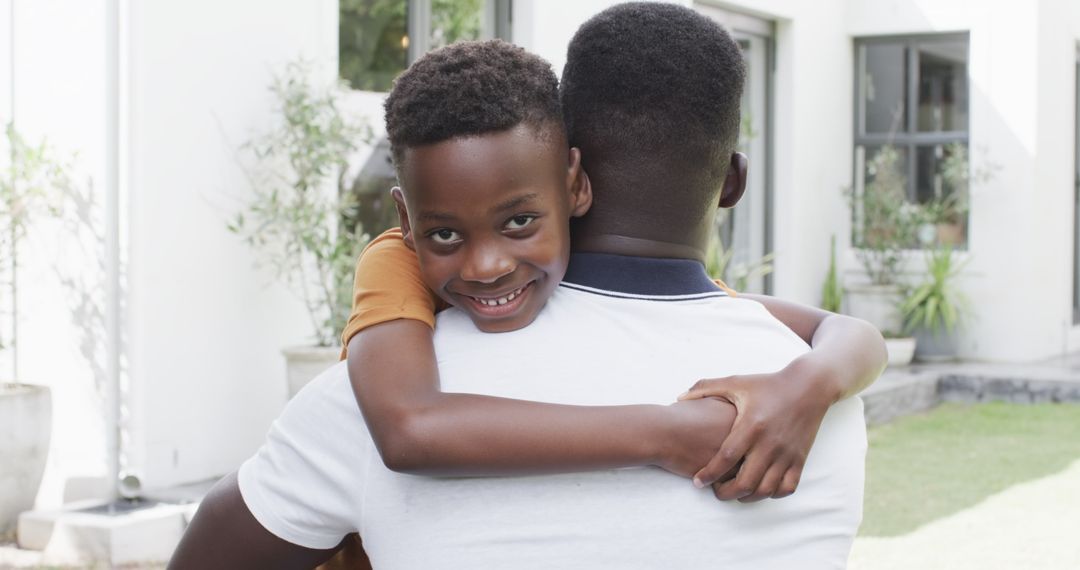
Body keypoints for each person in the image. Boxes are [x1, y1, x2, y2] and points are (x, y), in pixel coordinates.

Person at [170, 4, 880, 569]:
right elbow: (411, 429)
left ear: (572, 176)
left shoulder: (363, 396)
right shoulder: (807, 410)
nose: (485, 266)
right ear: (732, 182)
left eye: (515, 221)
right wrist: (795, 386)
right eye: (445, 234)